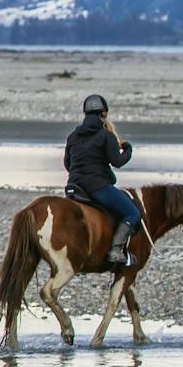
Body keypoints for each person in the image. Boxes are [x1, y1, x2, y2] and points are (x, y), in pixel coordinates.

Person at [64, 91, 142, 269]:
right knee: (133, 213)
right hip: (98, 187)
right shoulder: (106, 136)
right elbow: (118, 162)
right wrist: (128, 149)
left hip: (74, 187)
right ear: (104, 114)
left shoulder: (73, 136)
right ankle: (116, 250)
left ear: (85, 114)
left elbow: (68, 164)